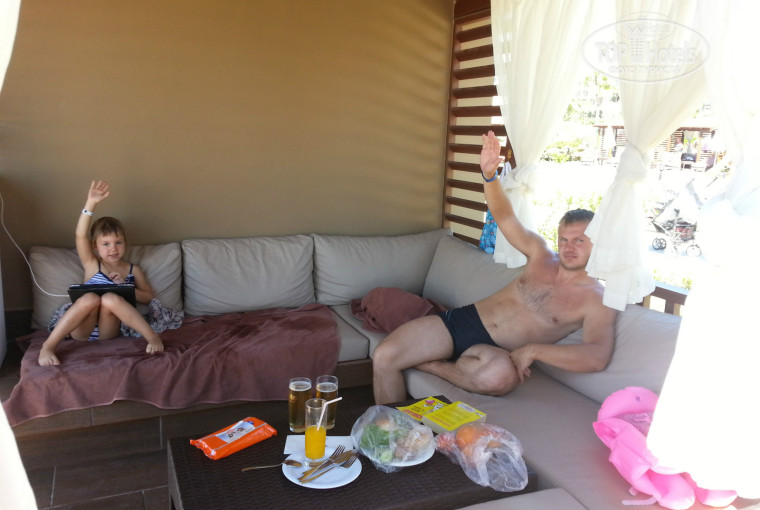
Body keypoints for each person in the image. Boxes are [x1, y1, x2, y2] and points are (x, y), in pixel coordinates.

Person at [372, 131, 618, 404]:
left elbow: (596, 356)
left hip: (498, 354)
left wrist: (534, 351)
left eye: (579, 241)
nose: (569, 247)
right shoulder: (540, 254)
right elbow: (505, 218)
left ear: (597, 243)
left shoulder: (598, 299)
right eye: (564, 239)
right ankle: (384, 430)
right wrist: (490, 176)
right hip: (461, 323)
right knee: (384, 357)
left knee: (499, 378)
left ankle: (430, 364)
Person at [38, 180, 165, 366]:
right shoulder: (92, 264)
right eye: (106, 244)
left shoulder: (133, 269)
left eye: (118, 242)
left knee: (110, 298)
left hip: (109, 330)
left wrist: (124, 286)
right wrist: (91, 203)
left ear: (125, 243)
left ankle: (152, 337)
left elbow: (149, 298)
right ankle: (48, 346)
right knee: (90, 298)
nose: (113, 249)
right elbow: (80, 235)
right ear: (95, 246)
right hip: (82, 330)